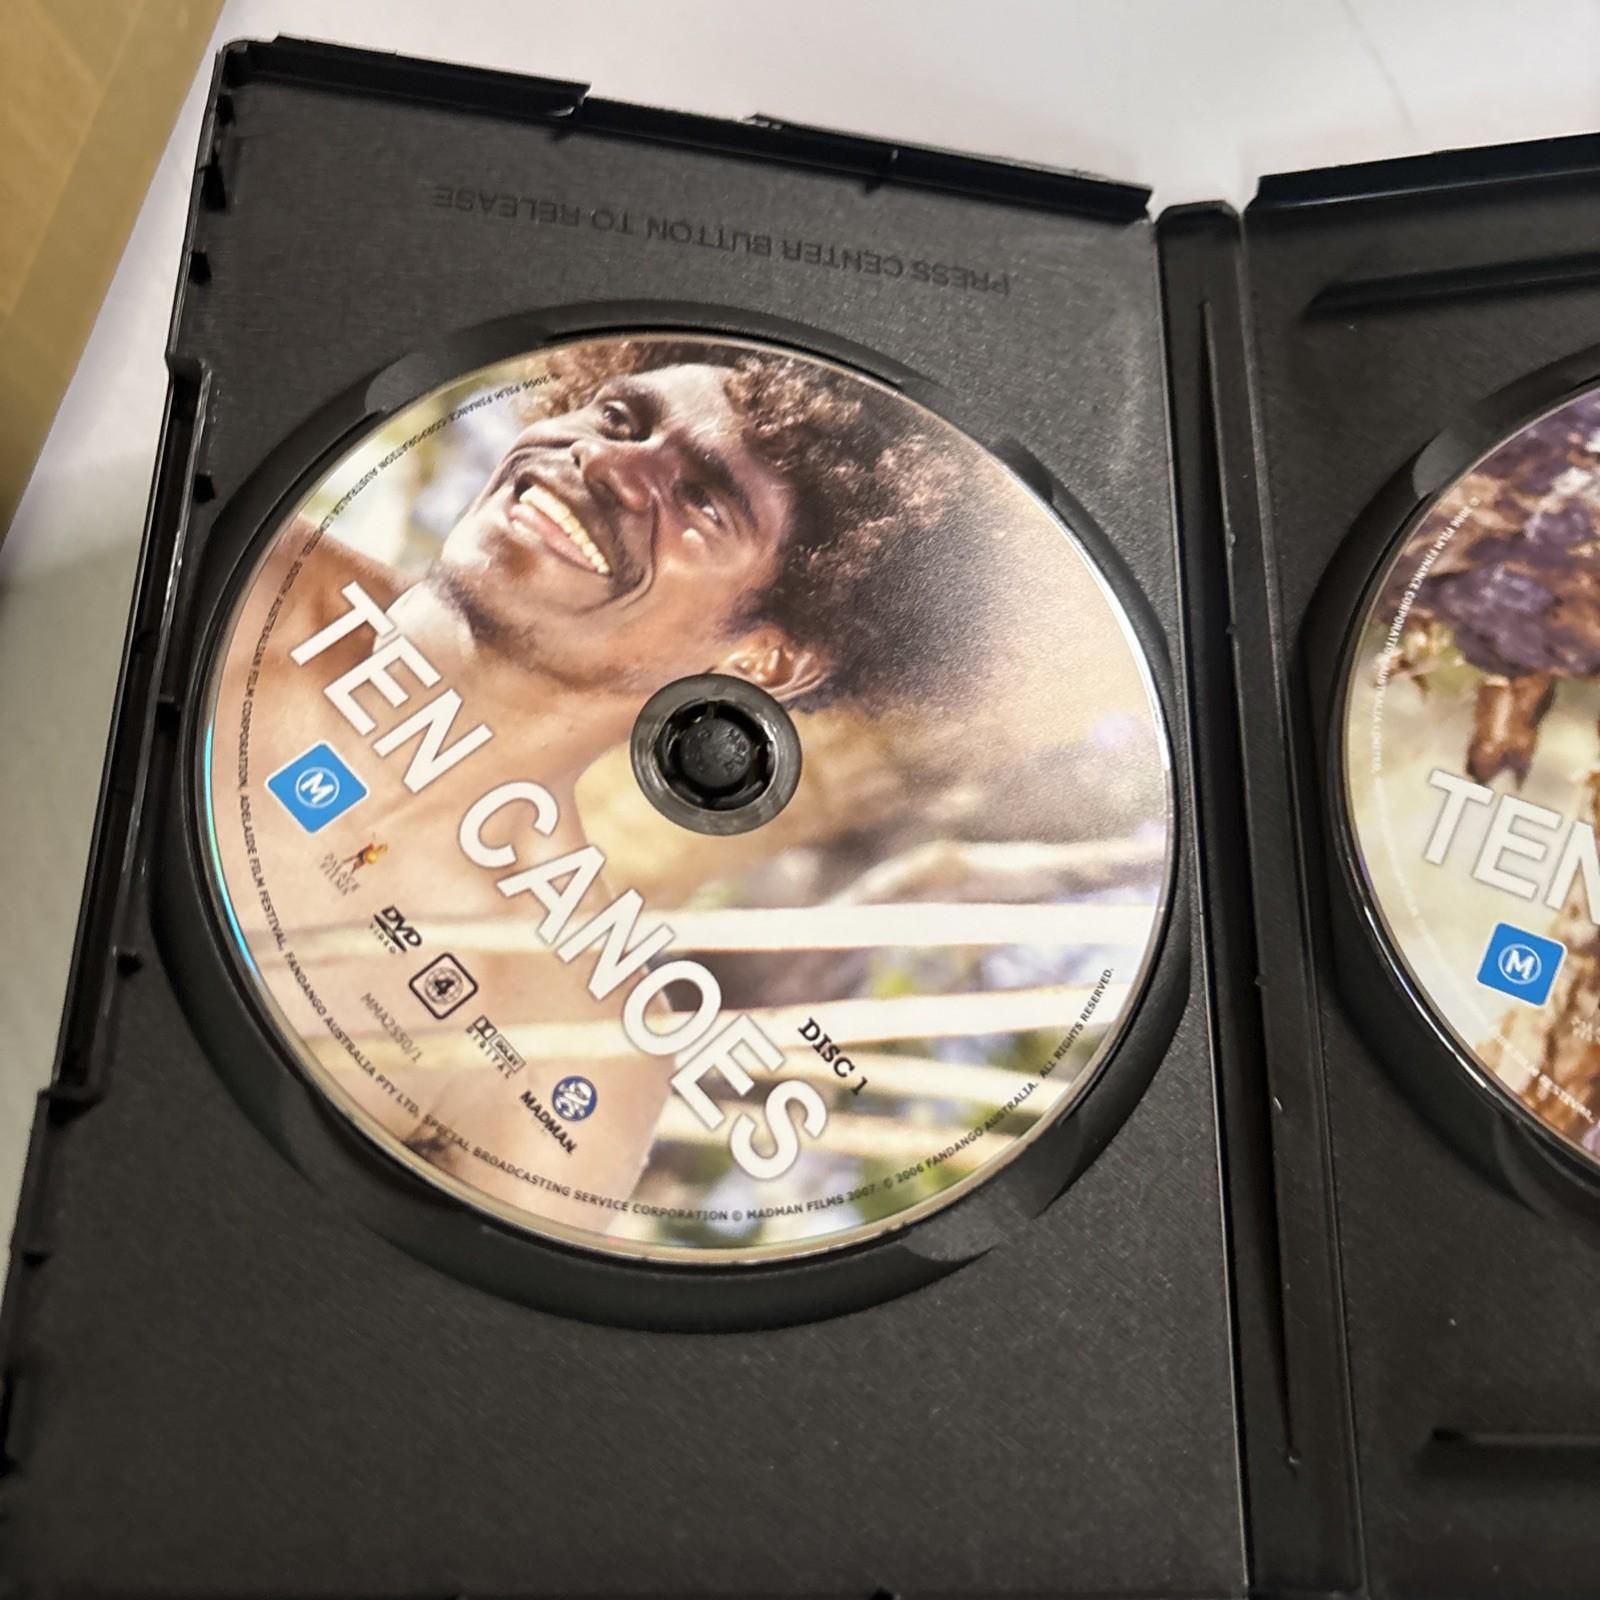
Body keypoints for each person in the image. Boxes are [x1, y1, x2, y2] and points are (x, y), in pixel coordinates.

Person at [211, 340, 963, 1233]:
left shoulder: (580, 1055)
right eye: (618, 417)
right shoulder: (238, 577)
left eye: (702, 499)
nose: (605, 462)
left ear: (762, 658)